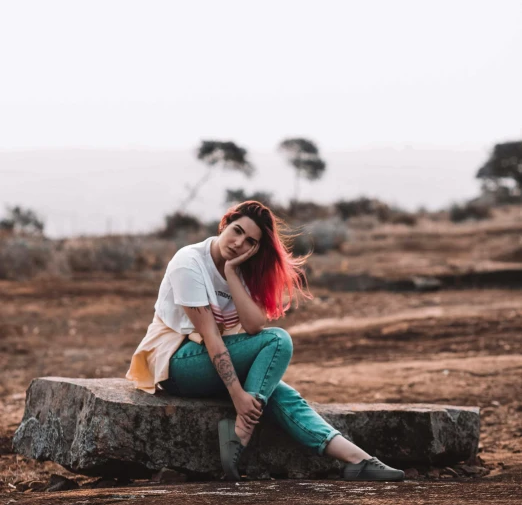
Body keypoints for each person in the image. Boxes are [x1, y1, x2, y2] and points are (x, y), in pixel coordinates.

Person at [126, 200, 405, 482]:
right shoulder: (189, 262)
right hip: (175, 364)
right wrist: (238, 397)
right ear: (224, 224)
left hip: (209, 363)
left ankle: (358, 459)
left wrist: (233, 274)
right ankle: (241, 431)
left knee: (281, 394)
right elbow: (211, 337)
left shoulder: (241, 271)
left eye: (249, 242)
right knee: (277, 341)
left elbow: (254, 324)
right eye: (236, 231)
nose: (238, 243)